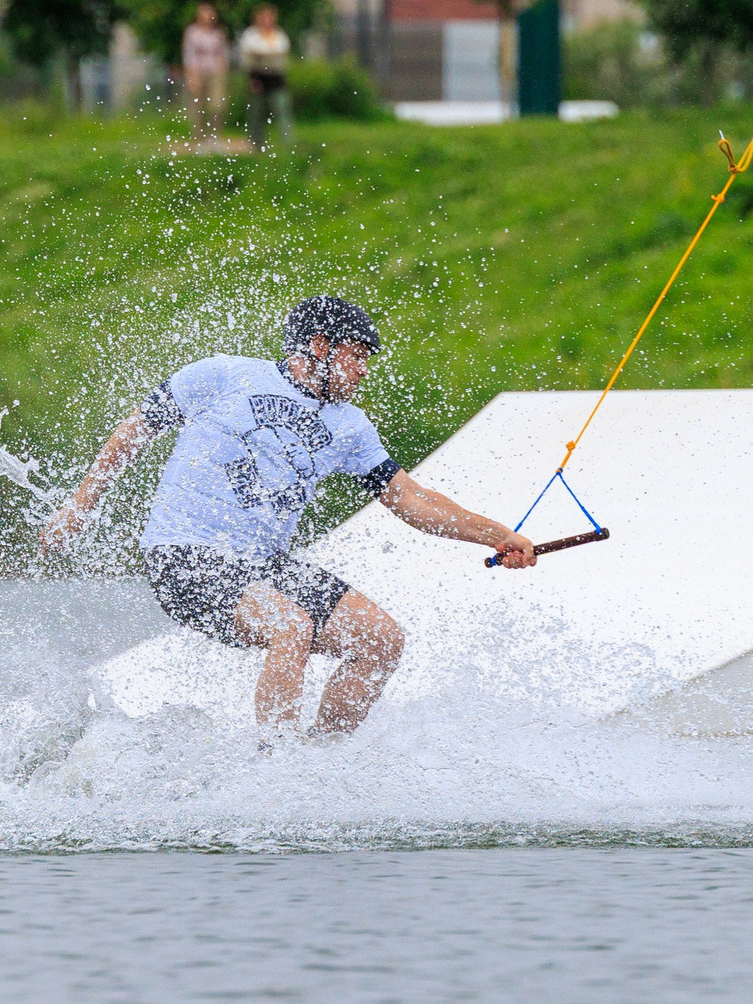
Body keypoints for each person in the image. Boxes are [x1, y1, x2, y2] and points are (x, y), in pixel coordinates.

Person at [41, 296, 538, 739]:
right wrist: (80, 505)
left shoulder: (349, 424)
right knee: (291, 626)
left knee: (381, 641)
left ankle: (319, 764)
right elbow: (134, 431)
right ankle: (275, 769)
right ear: (320, 346)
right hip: (183, 554)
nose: (364, 372)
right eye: (357, 357)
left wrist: (498, 536)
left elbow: (411, 498)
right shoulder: (222, 375)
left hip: (262, 564)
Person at [238, 3, 293, 151]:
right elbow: (249, 58)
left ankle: (287, 143)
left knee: (281, 109)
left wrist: (263, 55)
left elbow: (281, 55)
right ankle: (256, 144)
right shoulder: (251, 35)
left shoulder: (279, 35)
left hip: (276, 78)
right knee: (256, 113)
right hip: (258, 78)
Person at [180, 2, 232, 145]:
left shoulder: (218, 33)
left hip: (215, 72)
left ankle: (215, 136)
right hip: (197, 71)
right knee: (198, 107)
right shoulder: (192, 32)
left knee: (217, 105)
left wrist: (223, 70)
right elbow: (188, 54)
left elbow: (223, 53)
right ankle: (199, 138)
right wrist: (191, 76)